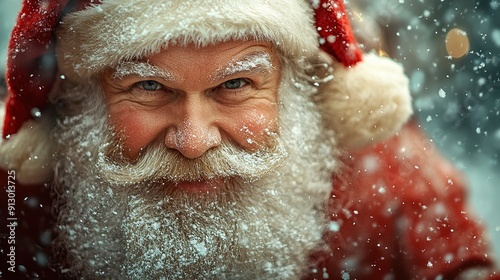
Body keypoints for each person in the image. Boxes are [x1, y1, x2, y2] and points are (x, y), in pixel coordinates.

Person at [0, 0, 498, 279]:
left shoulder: (381, 174)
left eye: (234, 84)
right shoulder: (19, 205)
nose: (194, 142)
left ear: (293, 87)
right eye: (149, 86)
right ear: (86, 99)